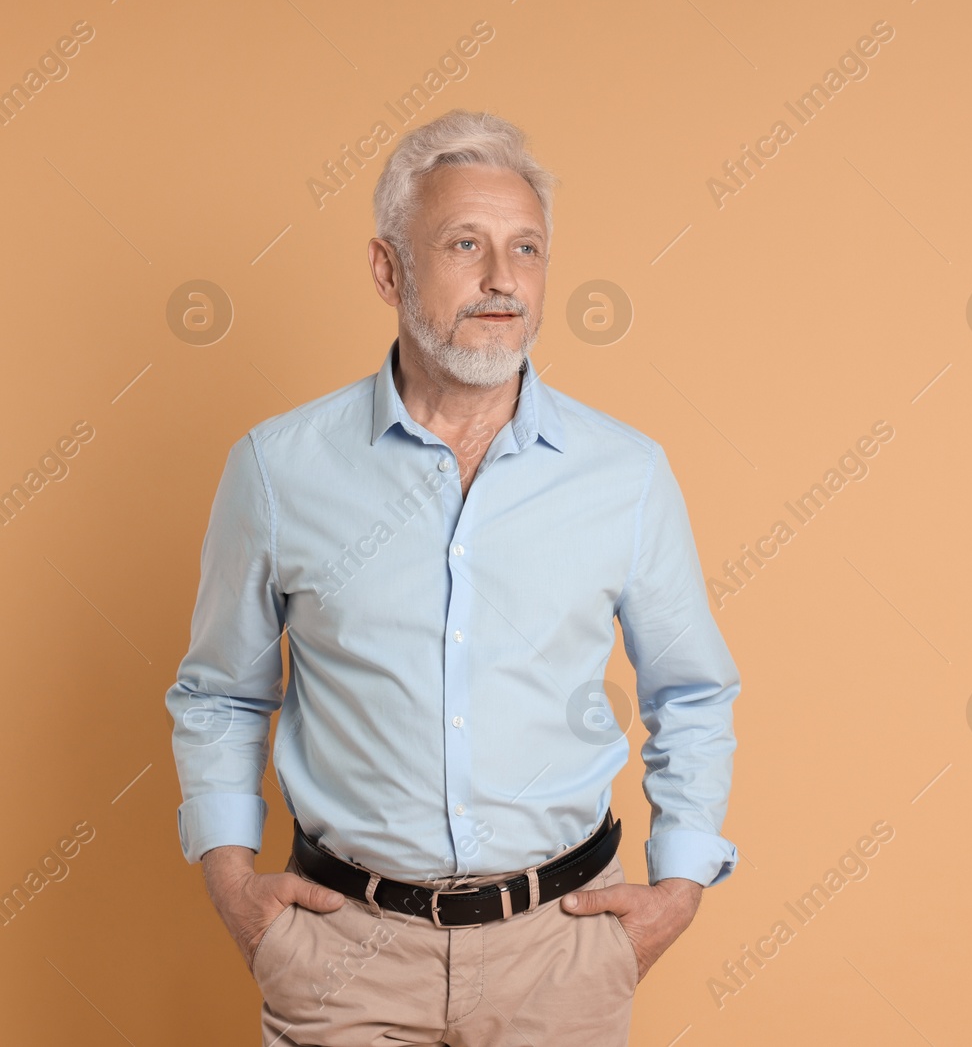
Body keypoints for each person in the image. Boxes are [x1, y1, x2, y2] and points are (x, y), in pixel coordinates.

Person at [165, 108, 740, 1046]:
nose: (502, 279)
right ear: (388, 268)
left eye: (527, 248)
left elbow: (692, 692)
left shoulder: (624, 474)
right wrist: (235, 886)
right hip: (341, 955)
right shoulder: (278, 469)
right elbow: (221, 692)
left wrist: (679, 885)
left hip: (563, 953)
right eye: (464, 244)